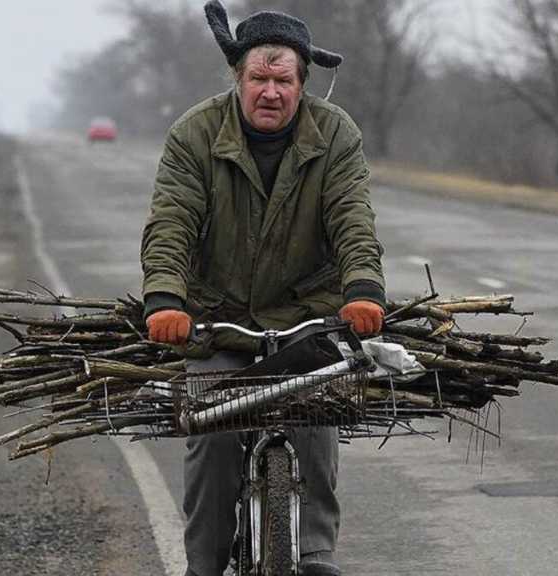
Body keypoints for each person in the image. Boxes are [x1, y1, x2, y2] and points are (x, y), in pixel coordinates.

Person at [140, 2, 386, 574]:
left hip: (309, 312)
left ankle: (317, 552)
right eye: (258, 78)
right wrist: (166, 300)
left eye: (283, 80)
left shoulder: (336, 134)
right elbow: (171, 221)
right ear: (238, 78)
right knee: (213, 432)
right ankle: (203, 564)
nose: (269, 92)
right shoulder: (195, 134)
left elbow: (353, 217)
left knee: (317, 410)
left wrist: (364, 289)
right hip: (217, 316)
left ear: (302, 85)